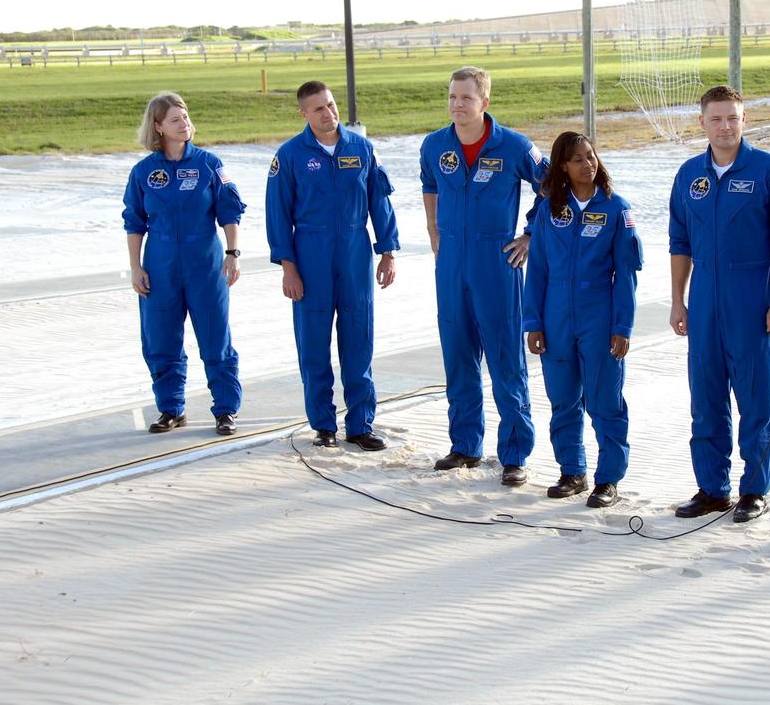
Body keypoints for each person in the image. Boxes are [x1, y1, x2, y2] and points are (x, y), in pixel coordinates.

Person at [669, 85, 770, 523]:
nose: (725, 127)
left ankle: (754, 489)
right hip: (704, 297)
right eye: (716, 119)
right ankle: (712, 488)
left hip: (753, 294)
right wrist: (678, 301)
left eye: (733, 118)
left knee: (756, 397)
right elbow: (679, 242)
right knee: (705, 397)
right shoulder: (689, 175)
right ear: (702, 122)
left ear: (745, 121)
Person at [420, 66, 548, 486]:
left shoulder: (513, 146)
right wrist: (434, 230)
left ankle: (514, 454)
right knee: (458, 357)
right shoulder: (435, 145)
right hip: (451, 261)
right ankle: (465, 446)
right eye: (453, 96)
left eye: (467, 98)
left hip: (498, 262)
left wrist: (530, 234)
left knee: (506, 360)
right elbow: (429, 185)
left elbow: (551, 186)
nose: (458, 105)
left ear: (485, 103)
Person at [265, 80, 399, 451]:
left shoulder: (362, 148)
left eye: (331, 104)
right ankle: (323, 424)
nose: (329, 113)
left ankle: (360, 423)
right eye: (319, 108)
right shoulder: (290, 155)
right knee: (313, 342)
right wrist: (287, 267)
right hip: (310, 252)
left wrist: (387, 252)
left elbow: (380, 202)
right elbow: (278, 215)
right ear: (304, 113)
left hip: (355, 249)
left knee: (359, 336)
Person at [524, 131, 643, 508]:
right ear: (562, 165)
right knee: (562, 398)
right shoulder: (548, 210)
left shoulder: (616, 208)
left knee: (605, 400)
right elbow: (538, 269)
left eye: (590, 156)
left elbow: (627, 274)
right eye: (577, 159)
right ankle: (571, 471)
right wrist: (533, 322)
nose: (587, 164)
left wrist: (622, 327)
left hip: (600, 312)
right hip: (556, 314)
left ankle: (607, 478)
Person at [123, 91, 245, 436]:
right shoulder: (144, 172)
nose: (184, 123)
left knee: (215, 338)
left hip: (205, 262)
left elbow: (230, 210)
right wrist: (136, 267)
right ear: (158, 126)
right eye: (175, 119)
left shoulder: (209, 164)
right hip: (160, 264)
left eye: (186, 116)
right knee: (160, 339)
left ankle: (225, 410)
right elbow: (134, 222)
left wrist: (232, 254)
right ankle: (171, 409)